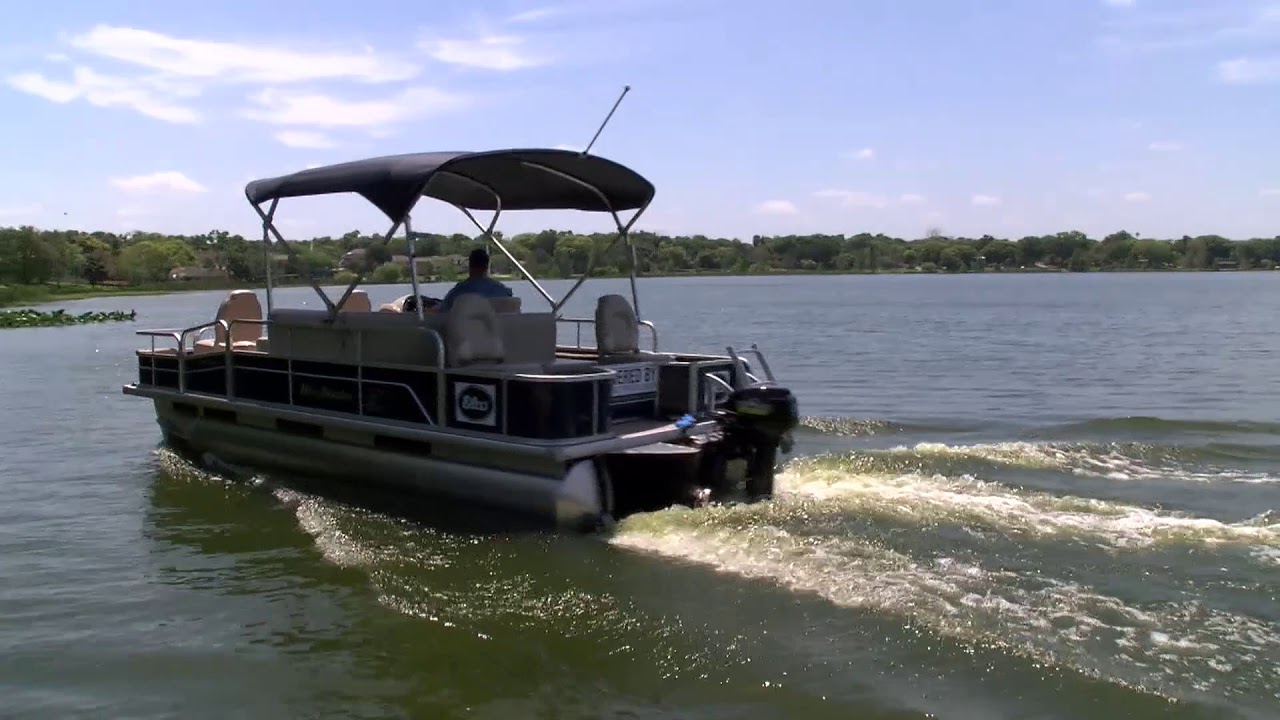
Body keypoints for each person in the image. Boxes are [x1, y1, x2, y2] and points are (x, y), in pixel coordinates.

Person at [439, 247, 513, 311]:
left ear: (470, 264)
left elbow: (442, 311)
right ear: (487, 266)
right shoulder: (503, 291)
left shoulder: (458, 292)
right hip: (497, 323)